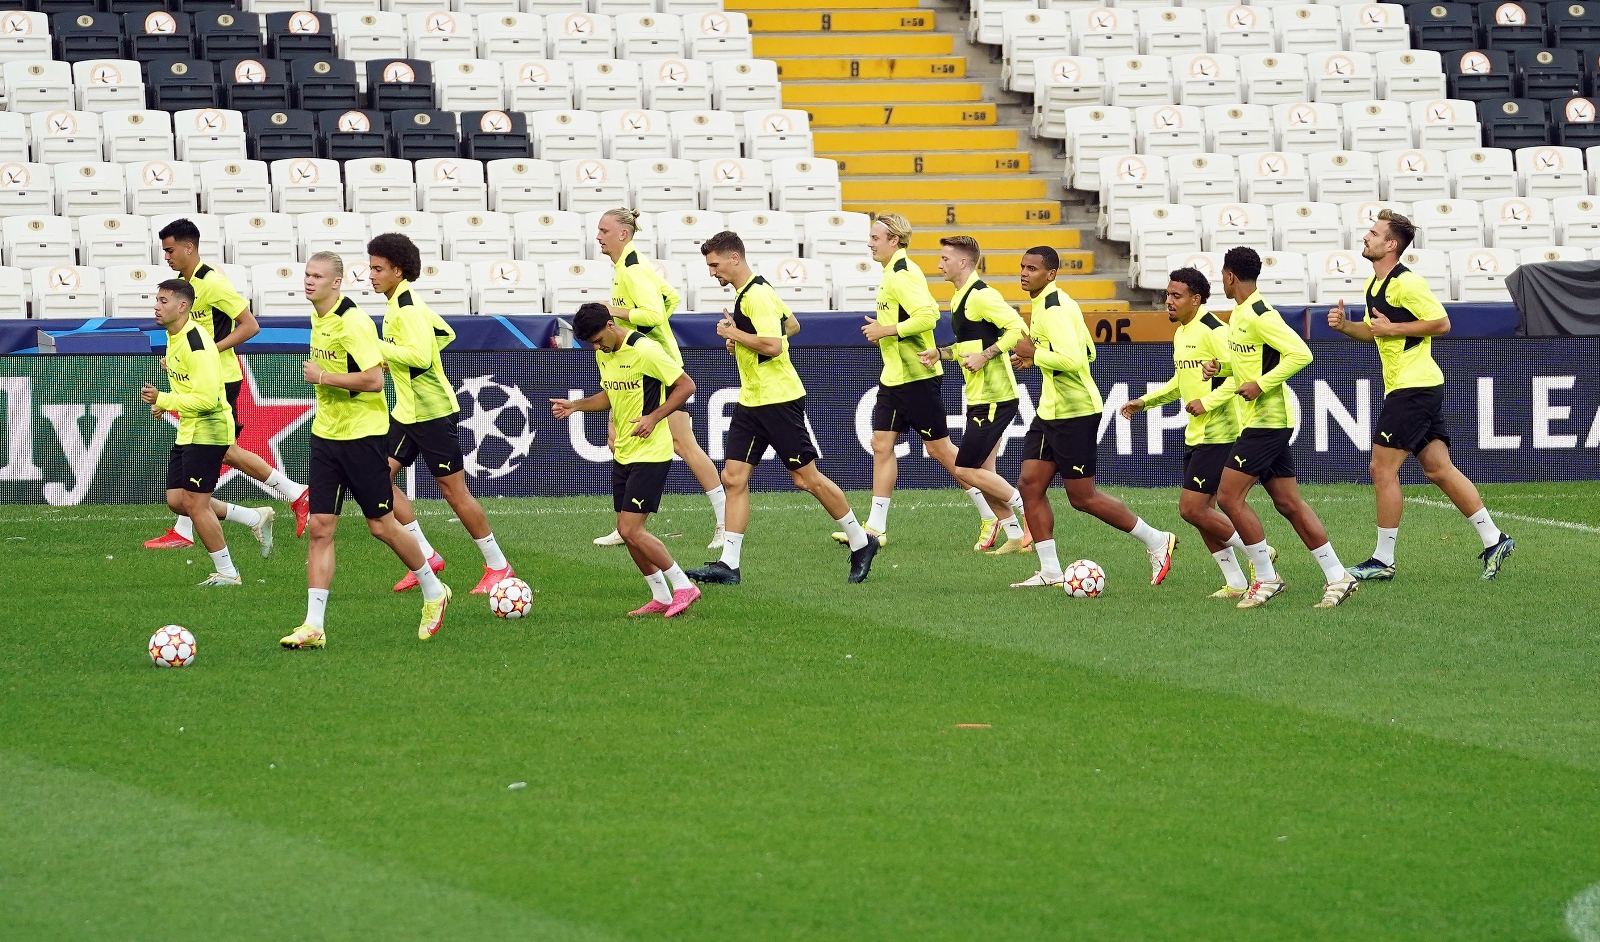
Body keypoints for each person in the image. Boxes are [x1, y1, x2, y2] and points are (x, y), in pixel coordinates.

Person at [685, 230, 880, 586]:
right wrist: (743, 342)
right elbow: (792, 324)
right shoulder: (755, 292)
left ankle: (861, 540)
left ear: (734, 258)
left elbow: (774, 344)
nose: (712, 272)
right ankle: (729, 564)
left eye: (714, 264)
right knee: (733, 477)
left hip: (777, 399)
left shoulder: (757, 295)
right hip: (752, 400)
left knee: (806, 478)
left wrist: (735, 335)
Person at [1329, 208, 1514, 580]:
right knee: (1437, 468)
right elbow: (1376, 331)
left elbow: (1442, 323)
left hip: (1413, 388)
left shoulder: (1406, 283)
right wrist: (1347, 326)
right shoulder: (1374, 286)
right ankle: (1495, 539)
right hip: (1415, 386)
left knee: (1381, 469)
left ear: (1391, 244)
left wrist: (1393, 329)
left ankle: (1382, 561)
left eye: (1374, 232)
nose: (1366, 236)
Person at [280, 253, 452, 650]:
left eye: (317, 276)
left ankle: (433, 589)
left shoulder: (352, 321)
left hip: (363, 437)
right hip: (326, 436)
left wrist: (322, 376)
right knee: (321, 528)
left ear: (337, 282)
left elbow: (374, 380)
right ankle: (313, 626)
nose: (309, 281)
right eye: (306, 274)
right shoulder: (318, 317)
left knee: (381, 526)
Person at [837, 215, 1029, 550]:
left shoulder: (904, 274)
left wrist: (887, 330)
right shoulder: (898, 277)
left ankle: (997, 516)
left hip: (918, 381)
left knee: (945, 453)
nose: (869, 243)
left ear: (894, 239)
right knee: (882, 445)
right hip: (895, 377)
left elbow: (927, 315)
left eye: (874, 237)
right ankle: (876, 529)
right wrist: (939, 351)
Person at [1006, 247, 1177, 588]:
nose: (1025, 273)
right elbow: (1089, 350)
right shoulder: (1055, 302)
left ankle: (1157, 540)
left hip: (1075, 412)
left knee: (1082, 497)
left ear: (1051, 274)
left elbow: (1073, 361)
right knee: (1030, 483)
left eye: (1033, 269)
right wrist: (1036, 359)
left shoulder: (1054, 308)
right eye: (1023, 267)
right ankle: (1051, 571)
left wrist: (1035, 353)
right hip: (1050, 410)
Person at [144, 218, 309, 549]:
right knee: (219, 453)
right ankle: (281, 501)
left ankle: (294, 494)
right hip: (199, 380)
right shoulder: (180, 285)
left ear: (189, 248)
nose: (167, 256)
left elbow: (250, 325)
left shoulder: (213, 283)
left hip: (222, 380)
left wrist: (207, 352)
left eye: (170, 250)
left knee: (219, 452)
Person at [366, 233, 516, 595]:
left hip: (432, 412)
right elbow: (443, 334)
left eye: (377, 268)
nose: (370, 275)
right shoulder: (400, 303)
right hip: (408, 411)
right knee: (375, 479)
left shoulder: (406, 309)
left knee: (453, 492)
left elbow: (418, 355)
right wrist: (396, 356)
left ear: (398, 271)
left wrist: (378, 349)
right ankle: (426, 555)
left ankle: (499, 566)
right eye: (370, 268)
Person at [1210, 246, 1357, 609]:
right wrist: (1225, 370)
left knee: (1228, 497)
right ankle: (1338, 575)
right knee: (1289, 503)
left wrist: (1261, 385)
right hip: (1263, 421)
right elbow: (1254, 363)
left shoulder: (1260, 313)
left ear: (1230, 275)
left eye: (1223, 276)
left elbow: (1301, 354)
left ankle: (1266, 577)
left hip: (1267, 422)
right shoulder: (1241, 313)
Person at [588, 208, 729, 551]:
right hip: (635, 364)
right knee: (619, 438)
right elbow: (671, 298)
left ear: (623, 234)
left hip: (657, 367)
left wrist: (615, 313)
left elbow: (651, 312)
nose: (598, 236)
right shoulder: (630, 265)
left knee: (683, 444)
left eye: (604, 230)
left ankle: (726, 523)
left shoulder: (634, 269)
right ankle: (626, 525)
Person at [1121, 268, 1266, 598]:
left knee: (1191, 509)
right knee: (1203, 514)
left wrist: (1209, 401)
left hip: (1222, 433)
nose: (1168, 301)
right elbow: (1181, 382)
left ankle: (1258, 552)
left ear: (1196, 299)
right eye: (1167, 295)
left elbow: (1241, 374)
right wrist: (1146, 401)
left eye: (1176, 296)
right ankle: (1236, 582)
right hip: (1199, 434)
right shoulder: (1182, 332)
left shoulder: (1214, 330)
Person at [551, 304, 702, 617]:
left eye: (597, 340)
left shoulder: (646, 350)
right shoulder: (603, 353)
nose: (596, 347)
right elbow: (610, 394)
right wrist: (575, 406)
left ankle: (684, 586)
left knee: (632, 530)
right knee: (625, 529)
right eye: (591, 344)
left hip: (652, 452)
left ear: (610, 324)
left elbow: (686, 385)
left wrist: (655, 416)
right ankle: (660, 595)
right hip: (625, 451)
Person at [140, 279, 272, 587]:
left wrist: (164, 399)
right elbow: (189, 383)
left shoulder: (196, 343)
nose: (156, 306)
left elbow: (208, 399)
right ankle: (254, 518)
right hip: (191, 427)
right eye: (156, 300)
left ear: (183, 307)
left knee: (196, 505)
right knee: (177, 500)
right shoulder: (175, 336)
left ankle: (228, 573)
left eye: (163, 301)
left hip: (210, 429)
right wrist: (167, 402)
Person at [913, 235, 1034, 554]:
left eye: (944, 259)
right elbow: (970, 347)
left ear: (963, 262)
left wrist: (988, 355)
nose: (939, 264)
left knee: (967, 468)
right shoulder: (958, 298)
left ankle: (1032, 516)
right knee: (984, 472)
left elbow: (1017, 329)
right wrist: (941, 353)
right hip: (981, 395)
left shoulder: (981, 295)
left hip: (997, 395)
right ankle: (1012, 533)